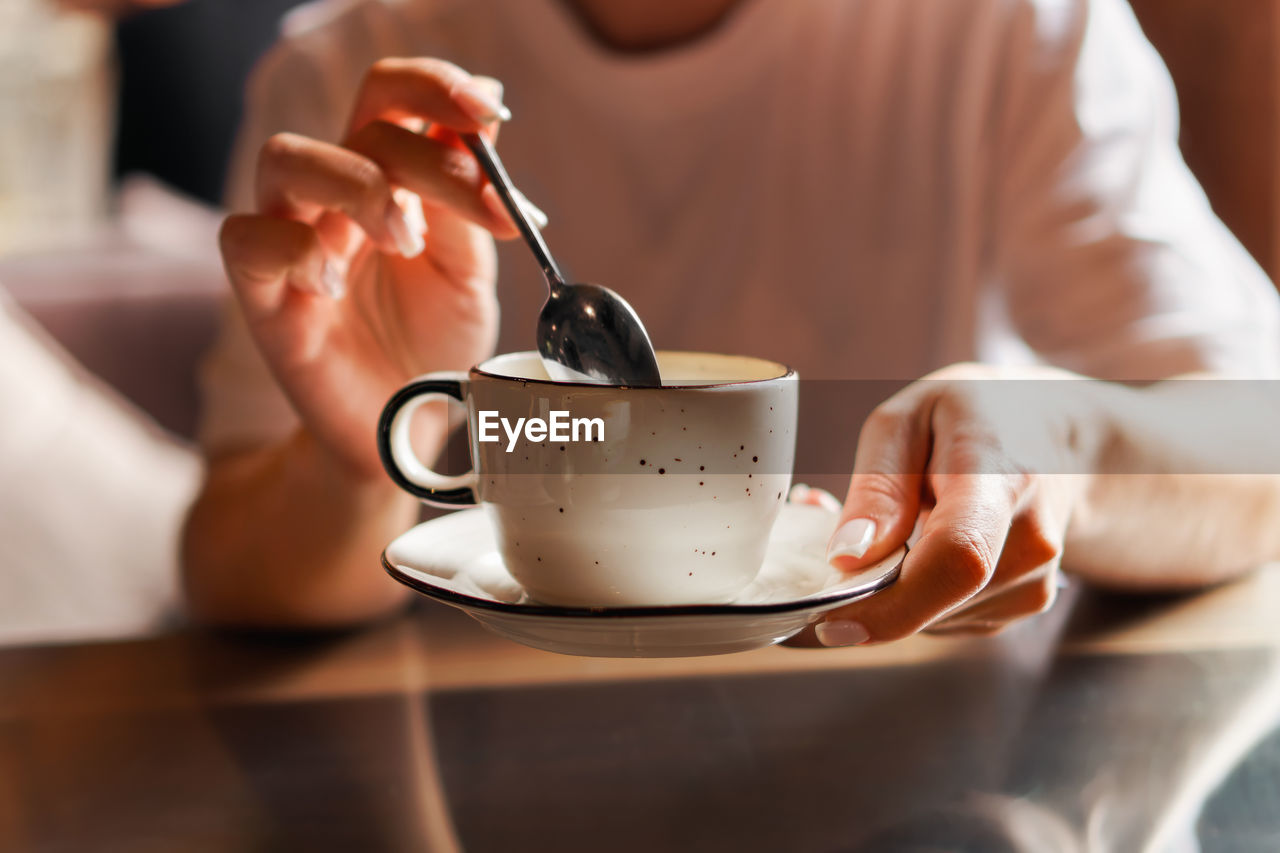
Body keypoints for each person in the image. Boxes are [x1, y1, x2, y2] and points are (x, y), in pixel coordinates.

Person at [183, 0, 1280, 642]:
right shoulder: (356, 76)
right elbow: (231, 570)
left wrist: (1056, 443)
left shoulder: (1003, 29)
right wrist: (375, 458)